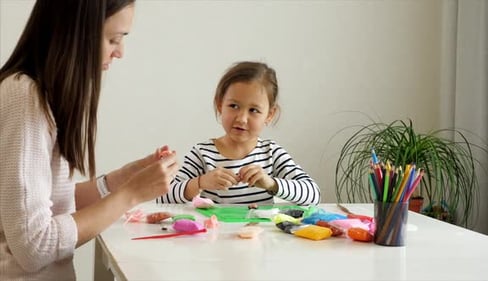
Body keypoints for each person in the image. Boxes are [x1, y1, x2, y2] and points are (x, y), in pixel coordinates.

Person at [0, 1, 178, 280]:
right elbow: (33, 246)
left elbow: (50, 202)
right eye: (113, 39)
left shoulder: (38, 97)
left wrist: (123, 179)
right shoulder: (24, 98)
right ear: (75, 34)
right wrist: (130, 194)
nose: (120, 52)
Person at [157, 61, 321, 206]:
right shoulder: (203, 153)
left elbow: (313, 194)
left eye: (254, 110)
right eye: (234, 106)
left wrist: (271, 184)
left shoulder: (272, 153)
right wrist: (200, 183)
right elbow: (163, 196)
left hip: (260, 238)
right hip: (214, 238)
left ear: (269, 115)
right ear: (220, 105)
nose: (242, 119)